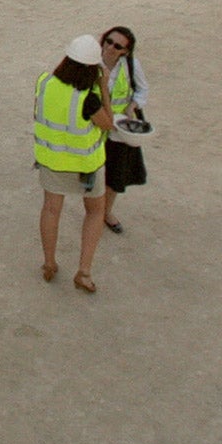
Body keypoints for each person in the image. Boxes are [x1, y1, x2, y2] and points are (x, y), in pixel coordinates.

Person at [35, 33, 115, 293]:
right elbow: (108, 124)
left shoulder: (45, 82)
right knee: (94, 212)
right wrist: (103, 88)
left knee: (50, 210)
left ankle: (49, 264)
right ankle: (84, 272)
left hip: (52, 161)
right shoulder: (88, 99)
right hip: (85, 166)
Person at [100, 25, 148, 234]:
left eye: (117, 45)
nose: (110, 47)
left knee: (114, 176)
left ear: (125, 52)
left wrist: (132, 106)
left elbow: (142, 89)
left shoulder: (130, 65)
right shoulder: (89, 60)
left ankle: (105, 212)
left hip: (119, 130)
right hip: (95, 126)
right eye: (108, 41)